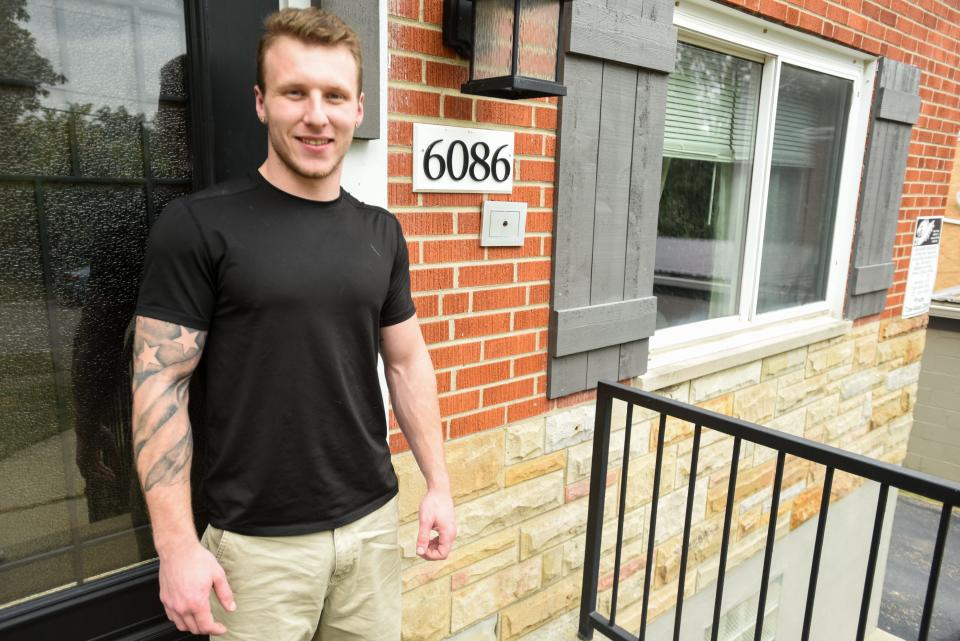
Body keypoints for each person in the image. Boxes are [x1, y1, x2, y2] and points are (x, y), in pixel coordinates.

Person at [131, 8, 456, 640]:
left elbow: (407, 360)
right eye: (294, 93)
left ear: (358, 108)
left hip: (370, 528)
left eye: (334, 95)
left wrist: (437, 485)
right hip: (255, 550)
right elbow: (157, 383)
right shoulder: (199, 227)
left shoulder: (380, 232)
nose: (316, 115)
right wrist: (174, 548)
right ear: (261, 103)